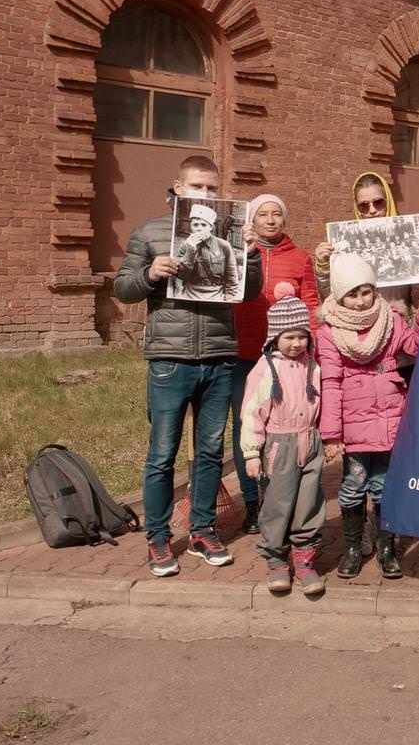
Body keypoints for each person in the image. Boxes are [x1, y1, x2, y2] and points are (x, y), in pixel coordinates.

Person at [114, 155, 262, 577]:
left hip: (218, 356)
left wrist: (251, 256)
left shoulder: (229, 236)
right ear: (178, 188)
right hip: (170, 359)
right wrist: (149, 274)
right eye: (198, 186)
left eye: (213, 188)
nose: (206, 194)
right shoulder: (150, 232)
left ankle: (202, 530)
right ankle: (159, 537)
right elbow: (123, 289)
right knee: (162, 454)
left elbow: (248, 293)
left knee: (210, 452)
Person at [319, 254, 419, 581]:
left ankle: (386, 549)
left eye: (366, 291)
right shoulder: (329, 331)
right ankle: (352, 548)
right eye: (352, 294)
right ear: (340, 296)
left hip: (390, 417)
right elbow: (330, 382)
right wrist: (331, 434)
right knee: (353, 485)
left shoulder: (391, 319)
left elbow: (417, 347)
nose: (361, 300)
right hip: (353, 423)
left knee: (384, 487)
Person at [231, 194, 321, 535]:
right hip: (243, 351)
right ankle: (252, 501)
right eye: (263, 215)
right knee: (247, 423)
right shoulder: (238, 252)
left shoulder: (300, 258)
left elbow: (310, 302)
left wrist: (311, 346)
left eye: (276, 214)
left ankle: (282, 494)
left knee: (284, 427)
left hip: (287, 357)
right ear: (252, 220)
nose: (270, 220)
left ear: (284, 220)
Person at [239, 284, 324, 596]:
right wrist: (251, 453)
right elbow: (252, 412)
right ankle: (276, 559)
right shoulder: (265, 370)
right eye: (289, 337)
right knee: (277, 503)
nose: (296, 343)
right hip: (279, 445)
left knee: (309, 502)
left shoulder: (313, 366)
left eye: (302, 336)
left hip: (310, 442)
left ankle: (305, 558)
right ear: (275, 337)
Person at [314, 172, 419, 383]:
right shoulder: (345, 244)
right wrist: (323, 267)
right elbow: (330, 299)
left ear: (388, 201)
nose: (372, 210)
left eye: (378, 202)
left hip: (399, 347)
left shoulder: (408, 240)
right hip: (361, 347)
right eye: (363, 205)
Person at [173, 203, 240, 301]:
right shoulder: (185, 245)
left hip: (216, 294)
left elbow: (232, 279)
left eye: (204, 225)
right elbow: (181, 276)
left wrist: (228, 300)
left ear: (211, 227)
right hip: (189, 294)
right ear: (191, 226)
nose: (199, 228)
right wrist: (190, 251)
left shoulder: (223, 246)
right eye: (195, 225)